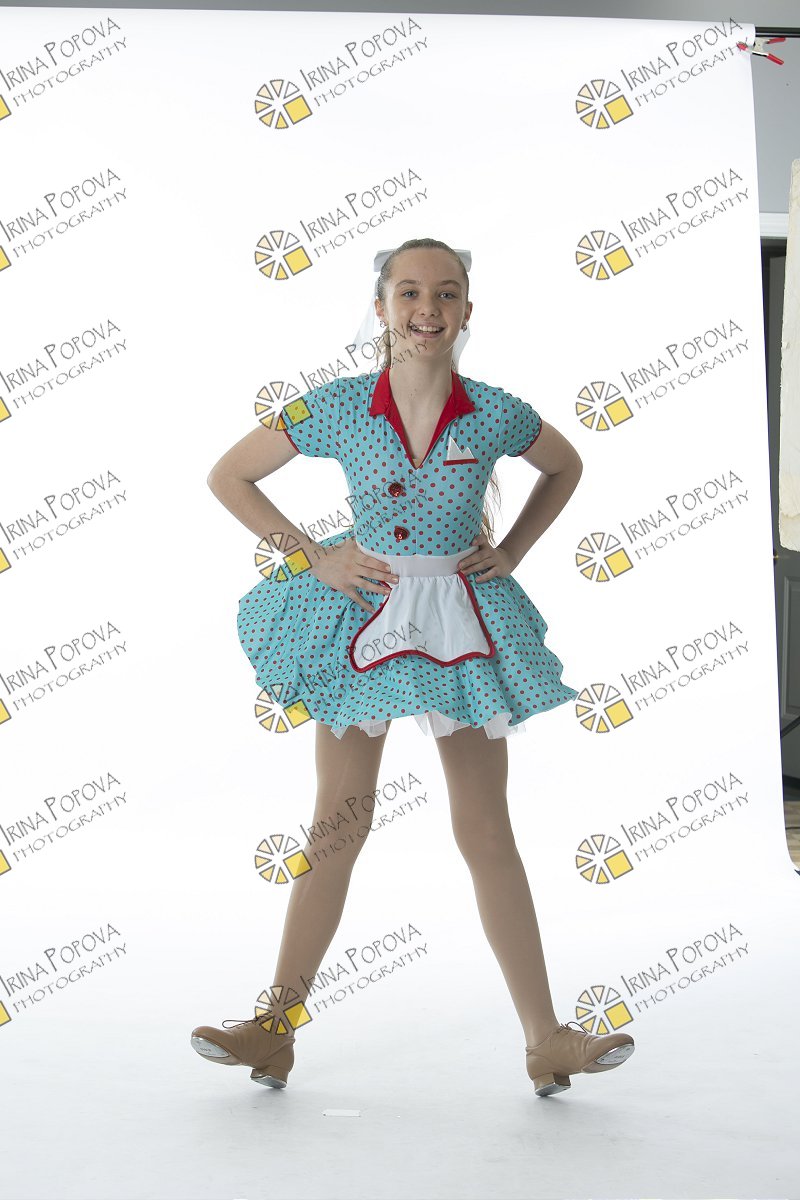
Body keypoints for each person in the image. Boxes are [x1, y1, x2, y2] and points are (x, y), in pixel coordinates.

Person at [190, 237, 635, 1098]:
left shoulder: (494, 411)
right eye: (409, 293)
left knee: (486, 830)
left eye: (446, 293)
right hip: (363, 616)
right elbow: (230, 475)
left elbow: (565, 466)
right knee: (337, 826)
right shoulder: (339, 405)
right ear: (382, 307)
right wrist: (311, 557)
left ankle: (546, 1040)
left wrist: (514, 550)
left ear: (467, 308)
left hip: (460, 623)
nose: (427, 309)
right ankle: (273, 1030)